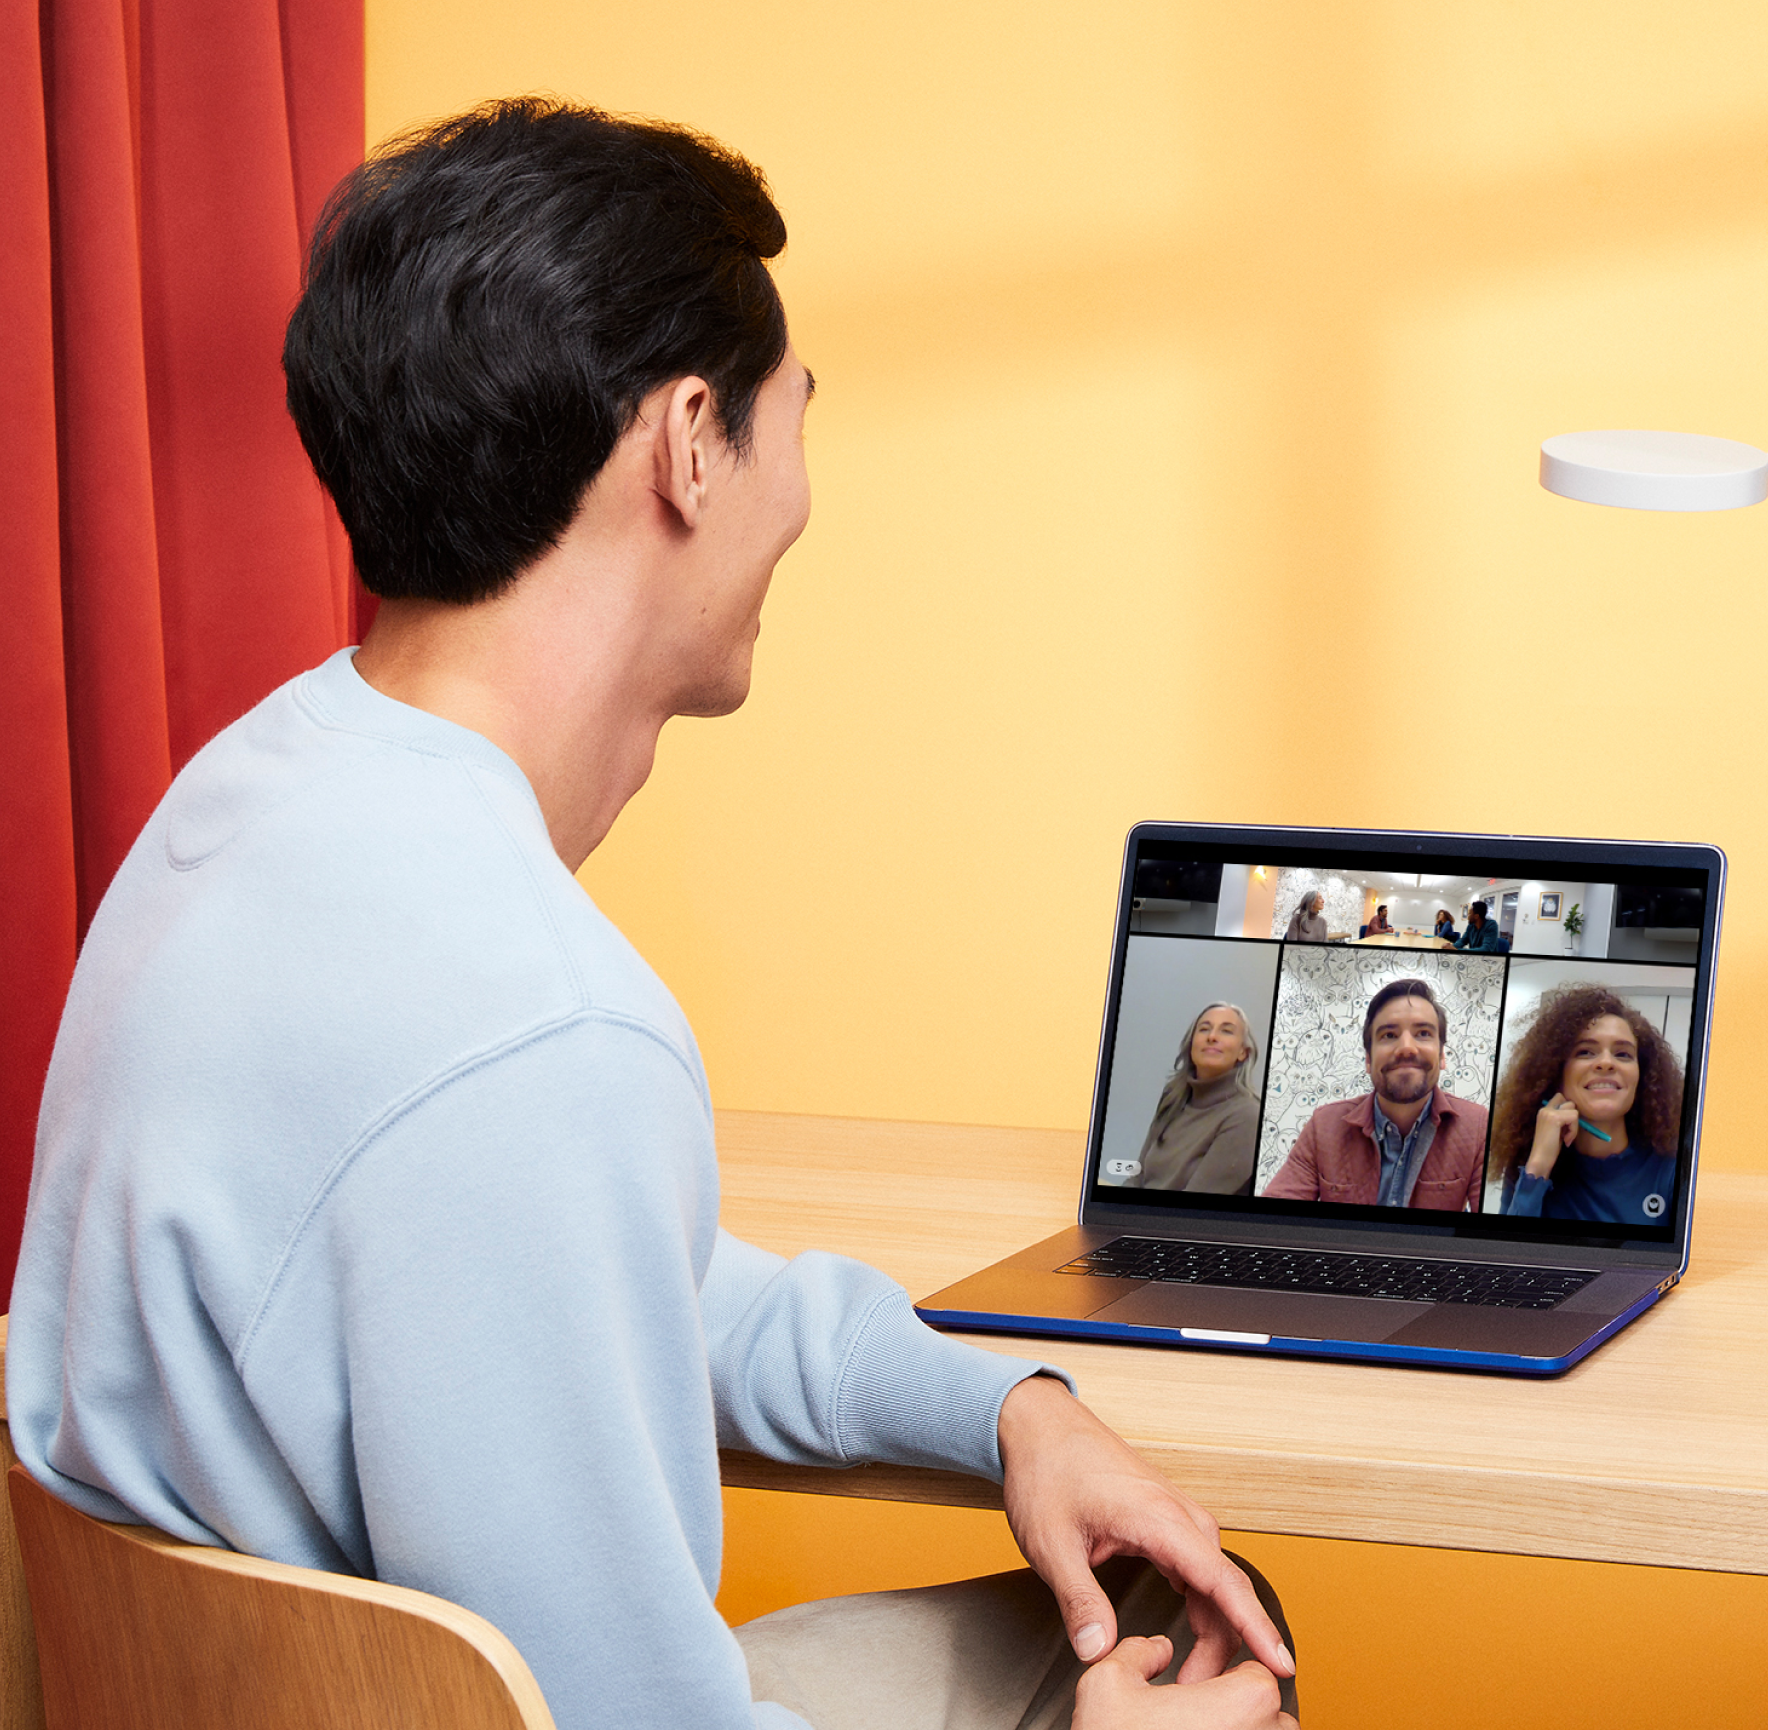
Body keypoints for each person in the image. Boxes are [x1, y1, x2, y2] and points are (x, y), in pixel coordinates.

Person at [6, 102, 1296, 1730]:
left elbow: (614, 1283)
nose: (802, 492)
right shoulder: (541, 1028)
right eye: (791, 418)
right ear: (690, 441)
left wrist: (1007, 1408)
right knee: (1213, 1645)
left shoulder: (248, 803)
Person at [1262, 978, 1487, 1210]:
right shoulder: (1323, 1126)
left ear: (1442, 1056)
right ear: (1368, 1060)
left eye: (1423, 1033)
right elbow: (1272, 1220)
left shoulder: (1478, 1126)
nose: (1407, 1048)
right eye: (1389, 1035)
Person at [1490, 985, 1682, 1224]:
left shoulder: (1672, 1168)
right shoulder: (1529, 1163)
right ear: (1555, 1073)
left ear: (1642, 1076)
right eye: (1585, 1052)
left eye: (1623, 1054)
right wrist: (1538, 1166)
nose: (1605, 1063)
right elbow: (1509, 1257)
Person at [1135, 1004, 1263, 1195]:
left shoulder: (1247, 1116)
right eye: (1204, 1029)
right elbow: (1138, 1175)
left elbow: (1194, 1206)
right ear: (1191, 1044)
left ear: (1243, 1052)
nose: (1212, 1037)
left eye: (1226, 1031)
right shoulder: (1173, 1096)